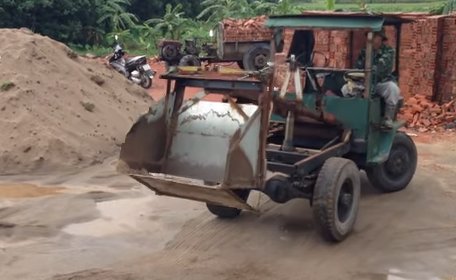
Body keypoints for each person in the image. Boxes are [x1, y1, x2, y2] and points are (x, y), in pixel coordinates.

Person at [355, 29, 401, 128]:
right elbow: (358, 67)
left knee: (392, 89)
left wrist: (367, 74)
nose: (371, 40)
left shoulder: (388, 51)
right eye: (369, 37)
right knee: (346, 89)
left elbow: (380, 70)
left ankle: (388, 118)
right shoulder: (364, 51)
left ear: (380, 38)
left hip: (381, 83)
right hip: (364, 82)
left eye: (374, 37)